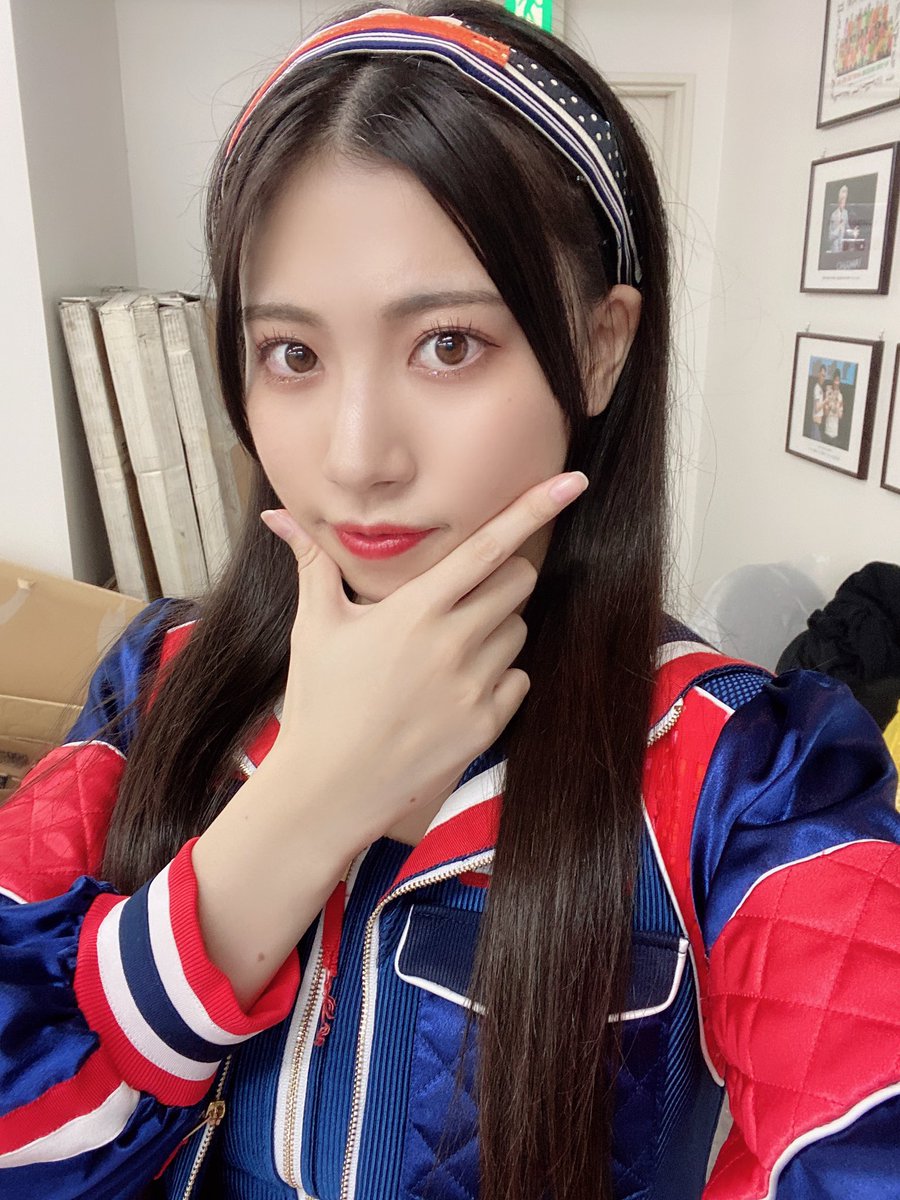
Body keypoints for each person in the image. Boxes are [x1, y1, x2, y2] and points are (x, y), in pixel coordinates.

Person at [2, 4, 899, 1199]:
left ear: (600, 347)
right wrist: (311, 800)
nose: (357, 457)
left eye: (448, 346)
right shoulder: (154, 688)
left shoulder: (751, 778)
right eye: (293, 355)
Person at [824, 368, 845, 445]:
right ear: (833, 380)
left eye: (838, 380)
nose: (836, 382)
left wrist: (838, 405)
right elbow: (825, 413)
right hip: (827, 431)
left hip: (835, 433)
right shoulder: (828, 393)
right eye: (835, 380)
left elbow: (840, 416)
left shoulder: (840, 396)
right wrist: (831, 401)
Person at [828, 184, 850, 253]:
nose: (845, 195)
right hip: (834, 250)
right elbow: (830, 237)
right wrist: (839, 228)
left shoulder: (845, 213)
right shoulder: (833, 214)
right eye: (843, 191)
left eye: (846, 192)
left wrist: (853, 232)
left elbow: (847, 229)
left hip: (842, 250)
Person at [811, 361, 826, 439]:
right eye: (822, 375)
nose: (823, 378)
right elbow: (817, 408)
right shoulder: (817, 388)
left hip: (817, 426)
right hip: (815, 426)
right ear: (818, 374)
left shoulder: (820, 388)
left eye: (824, 376)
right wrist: (826, 400)